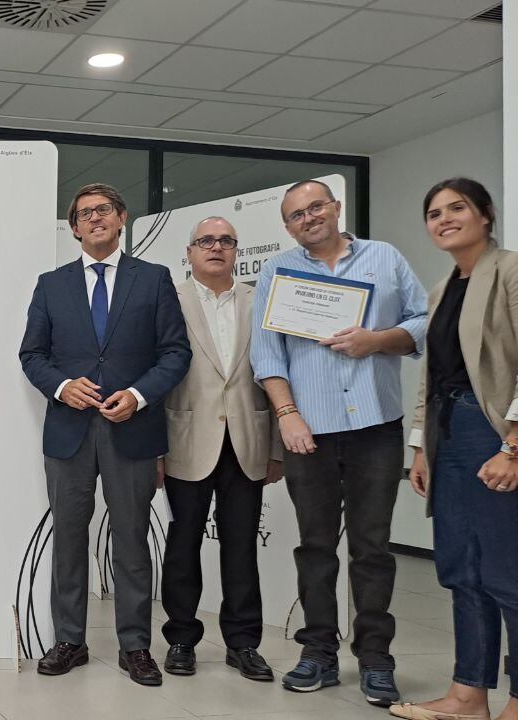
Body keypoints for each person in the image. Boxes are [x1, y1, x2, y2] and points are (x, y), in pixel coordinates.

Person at [251, 179, 427, 707]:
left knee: (373, 548)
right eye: (297, 214)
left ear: (335, 208)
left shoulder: (385, 258)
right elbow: (267, 354)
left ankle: (376, 660)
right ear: (287, 226)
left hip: (376, 425)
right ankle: (319, 654)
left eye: (315, 207)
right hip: (310, 431)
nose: (308, 218)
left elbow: (423, 321)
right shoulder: (277, 270)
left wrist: (378, 340)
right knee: (316, 548)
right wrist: (288, 416)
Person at [19, 182, 191, 686]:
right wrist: (61, 386)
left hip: (132, 429)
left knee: (133, 542)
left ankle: (136, 645)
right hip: (69, 431)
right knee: (70, 538)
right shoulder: (51, 284)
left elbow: (175, 353)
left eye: (104, 210)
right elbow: (32, 354)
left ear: (121, 219)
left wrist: (138, 396)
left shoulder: (154, 280)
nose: (95, 218)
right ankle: (70, 640)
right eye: (84, 213)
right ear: (73, 228)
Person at [391, 178, 518, 720]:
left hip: (494, 431)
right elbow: (431, 378)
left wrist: (514, 445)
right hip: (449, 434)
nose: (443, 219)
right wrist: (420, 449)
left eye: (456, 208)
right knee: (461, 568)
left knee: (507, 572)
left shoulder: (510, 271)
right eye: (434, 212)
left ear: (485, 215)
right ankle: (468, 696)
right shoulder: (443, 288)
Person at [159, 217, 281, 682]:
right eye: (206, 241)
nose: (216, 247)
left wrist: (276, 449)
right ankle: (182, 640)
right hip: (185, 440)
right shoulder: (169, 298)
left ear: (236, 250)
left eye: (226, 241)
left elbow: (275, 370)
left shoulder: (259, 299)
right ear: (189, 252)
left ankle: (243, 643)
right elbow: (158, 370)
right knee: (184, 542)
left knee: (241, 546)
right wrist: (154, 450)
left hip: (247, 440)